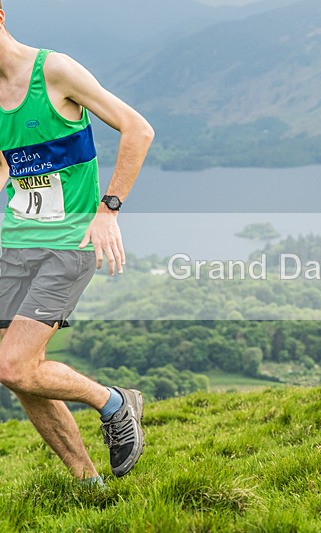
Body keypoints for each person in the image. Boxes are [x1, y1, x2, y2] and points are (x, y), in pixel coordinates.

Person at [0, 3, 153, 484]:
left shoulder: (54, 70)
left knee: (12, 364)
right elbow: (9, 165)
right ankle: (89, 483)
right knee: (19, 371)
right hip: (12, 242)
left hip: (68, 242)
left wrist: (109, 210)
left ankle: (114, 401)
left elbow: (138, 128)